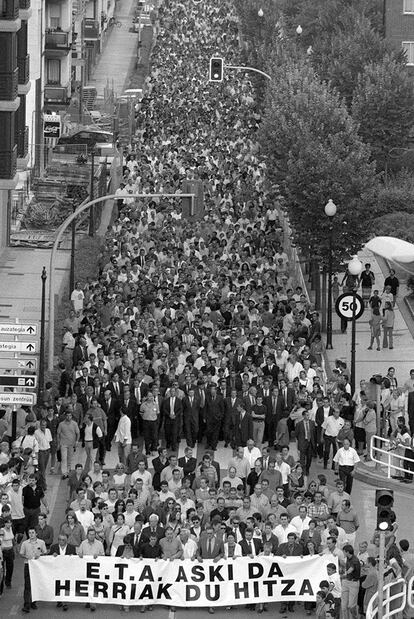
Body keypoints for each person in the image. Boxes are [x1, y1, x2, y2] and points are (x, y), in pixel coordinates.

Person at [20, 527, 47, 613]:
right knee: (27, 585)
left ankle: (33, 602)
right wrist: (25, 556)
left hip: (38, 566)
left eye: (32, 532)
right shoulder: (25, 543)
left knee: (35, 584)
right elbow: (21, 553)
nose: (31, 534)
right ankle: (26, 604)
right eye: (29, 533)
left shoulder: (41, 542)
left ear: (36, 534)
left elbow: (45, 552)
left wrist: (41, 555)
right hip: (28, 565)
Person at [77, 528, 105, 611]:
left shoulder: (99, 544)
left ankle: (93, 602)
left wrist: (99, 556)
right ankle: (88, 600)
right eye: (90, 534)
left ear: (95, 535)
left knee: (94, 585)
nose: (91, 536)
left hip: (95, 568)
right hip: (85, 567)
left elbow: (103, 556)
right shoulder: (83, 543)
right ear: (87, 535)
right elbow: (79, 553)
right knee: (86, 584)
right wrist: (80, 555)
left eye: (93, 534)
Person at [57, 411, 80, 480]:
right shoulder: (61, 424)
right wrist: (58, 443)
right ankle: (64, 473)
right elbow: (58, 434)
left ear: (71, 416)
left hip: (71, 444)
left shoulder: (74, 424)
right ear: (65, 416)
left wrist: (77, 441)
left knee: (69, 459)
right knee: (64, 459)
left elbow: (78, 433)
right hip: (63, 443)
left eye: (70, 416)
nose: (68, 417)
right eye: (67, 416)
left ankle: (67, 471)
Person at [341, 544, 361, 619]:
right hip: (346, 582)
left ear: (347, 552)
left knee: (351, 606)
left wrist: (343, 575)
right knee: (344, 606)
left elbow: (350, 570)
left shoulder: (355, 560)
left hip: (353, 583)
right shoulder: (348, 558)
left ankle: (354, 617)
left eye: (344, 552)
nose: (343, 553)